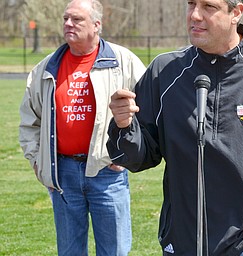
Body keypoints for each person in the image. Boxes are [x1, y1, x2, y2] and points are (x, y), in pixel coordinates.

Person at [107, 0, 243, 255]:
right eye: (191, 4)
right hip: (181, 244)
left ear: (236, 13)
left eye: (209, 7)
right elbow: (137, 158)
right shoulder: (165, 72)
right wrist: (123, 125)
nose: (195, 15)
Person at [19, 0, 146, 255]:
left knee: (115, 251)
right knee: (69, 251)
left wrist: (130, 154)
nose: (68, 24)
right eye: (66, 18)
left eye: (77, 19)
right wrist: (37, 160)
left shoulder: (123, 61)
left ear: (96, 25)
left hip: (107, 171)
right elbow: (29, 120)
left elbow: (150, 110)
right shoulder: (45, 68)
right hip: (63, 173)